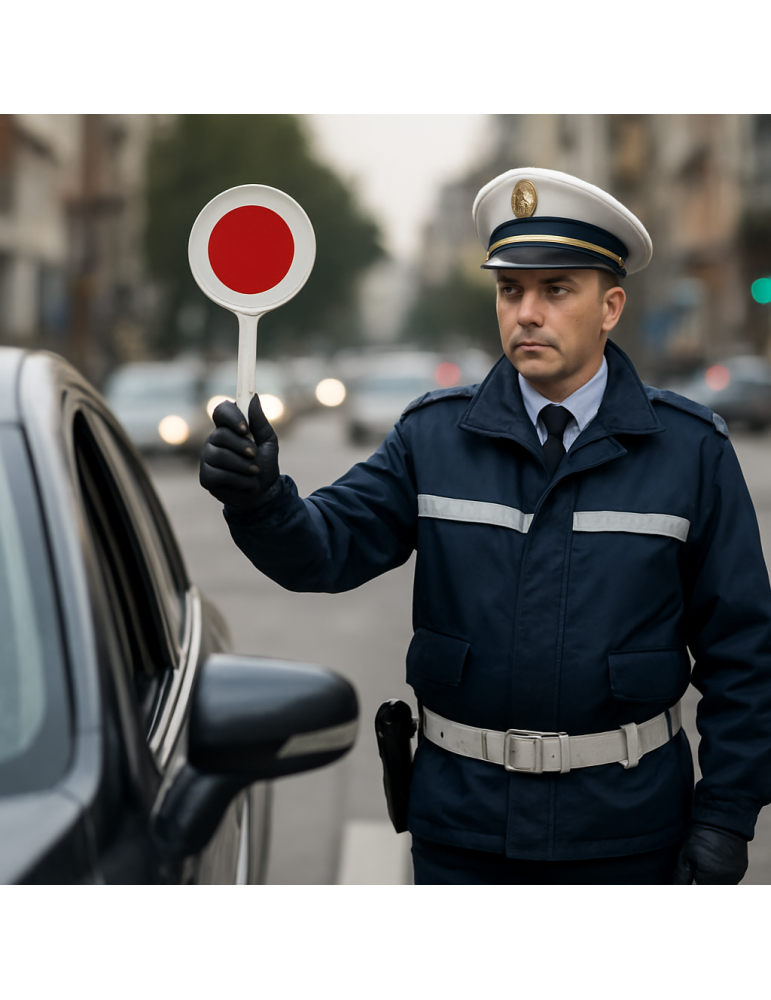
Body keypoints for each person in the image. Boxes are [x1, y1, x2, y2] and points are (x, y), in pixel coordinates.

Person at [199, 167, 771, 884]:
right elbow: (323, 552)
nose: (525, 312)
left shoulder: (690, 453)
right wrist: (261, 502)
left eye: (555, 290)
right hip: (463, 834)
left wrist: (724, 815)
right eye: (510, 290)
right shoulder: (433, 438)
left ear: (610, 306)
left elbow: (744, 653)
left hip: (624, 833)